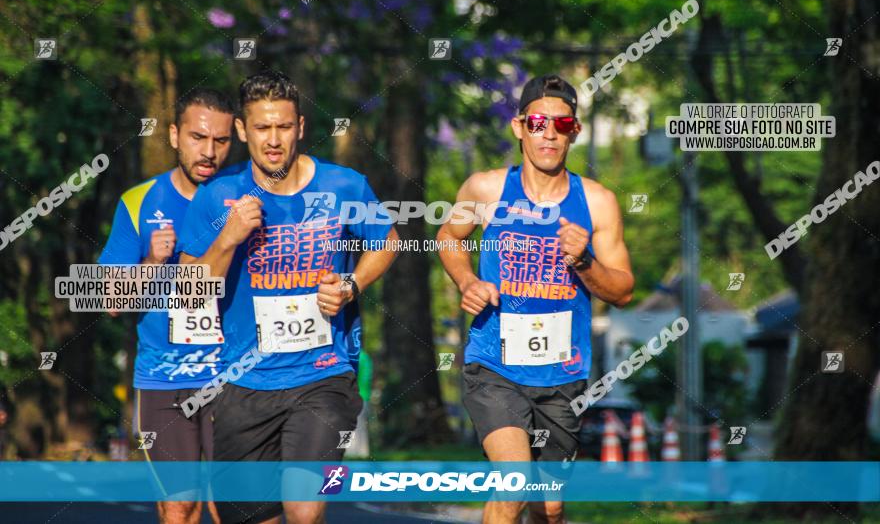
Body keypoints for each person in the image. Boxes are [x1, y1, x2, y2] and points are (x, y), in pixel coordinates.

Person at [178, 70, 398, 524]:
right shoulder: (218, 195)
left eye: (283, 127)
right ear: (242, 130)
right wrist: (228, 239)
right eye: (262, 127)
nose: (273, 140)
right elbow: (188, 288)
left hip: (325, 375)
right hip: (242, 383)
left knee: (302, 505)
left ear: (300, 126)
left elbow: (387, 240)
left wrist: (351, 285)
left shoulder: (344, 186)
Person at [436, 74, 634, 524]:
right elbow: (449, 236)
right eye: (539, 122)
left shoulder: (598, 203)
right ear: (519, 126)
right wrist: (467, 281)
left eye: (561, 125)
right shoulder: (486, 189)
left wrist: (584, 261)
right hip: (495, 365)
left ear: (575, 132)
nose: (549, 133)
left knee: (550, 507)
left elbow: (623, 291)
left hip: (562, 376)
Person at [98, 88, 235, 524]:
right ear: (175, 135)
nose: (209, 152)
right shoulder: (139, 202)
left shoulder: (251, 198)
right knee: (179, 507)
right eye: (198, 137)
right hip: (163, 377)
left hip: (236, 375)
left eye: (221, 140)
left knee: (228, 505)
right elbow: (109, 301)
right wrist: (153, 261)